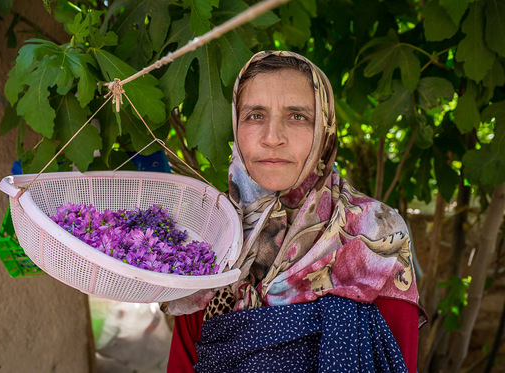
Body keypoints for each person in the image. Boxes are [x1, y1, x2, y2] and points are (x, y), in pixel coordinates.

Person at [163, 51, 426, 373]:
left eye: (297, 116)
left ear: (325, 130)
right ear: (235, 125)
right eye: (255, 115)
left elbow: (397, 361)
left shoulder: (375, 233)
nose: (273, 138)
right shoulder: (211, 237)